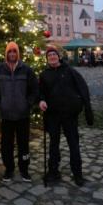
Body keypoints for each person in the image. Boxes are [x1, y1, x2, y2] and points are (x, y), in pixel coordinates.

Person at [39, 47, 94, 186]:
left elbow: (82, 88)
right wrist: (42, 100)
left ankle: (77, 174)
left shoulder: (69, 71)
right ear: (47, 59)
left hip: (69, 114)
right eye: (49, 55)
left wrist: (81, 104)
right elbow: (41, 92)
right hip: (53, 115)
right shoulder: (44, 74)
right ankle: (53, 171)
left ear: (58, 56)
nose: (52, 57)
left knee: (73, 144)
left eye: (54, 54)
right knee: (53, 144)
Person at [0, 41, 39, 182]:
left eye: (14, 51)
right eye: (10, 52)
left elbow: (35, 89)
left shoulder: (26, 69)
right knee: (6, 144)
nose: (12, 54)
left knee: (23, 144)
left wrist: (28, 104)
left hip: (22, 115)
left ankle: (24, 170)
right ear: (6, 53)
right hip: (6, 115)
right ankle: (9, 169)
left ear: (18, 53)